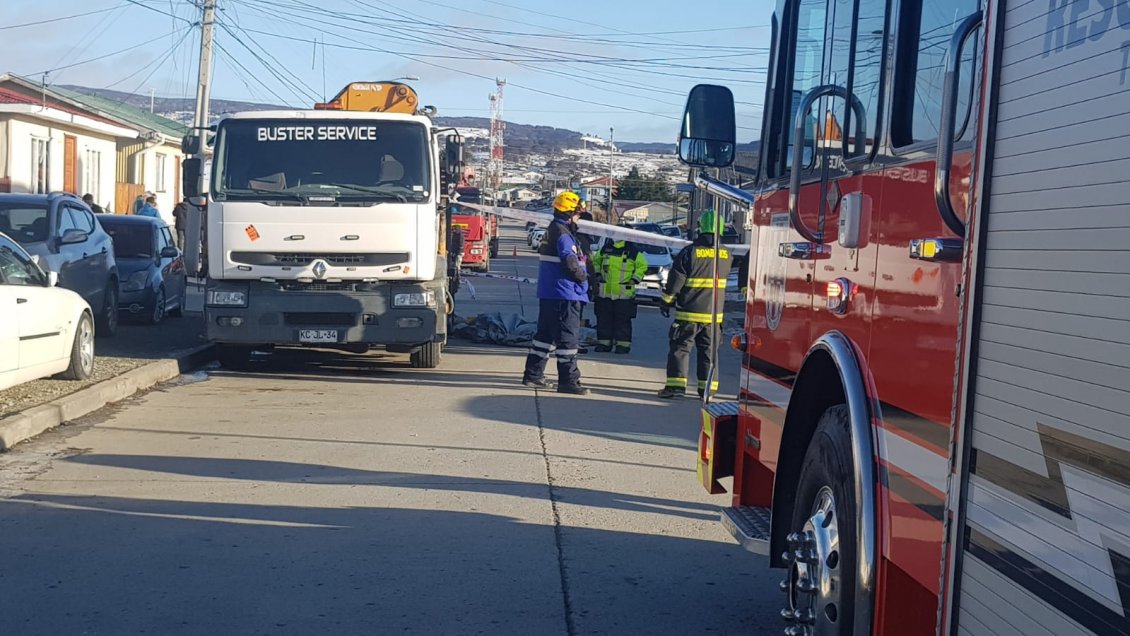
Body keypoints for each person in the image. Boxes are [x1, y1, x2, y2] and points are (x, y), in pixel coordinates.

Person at [658, 209, 734, 399]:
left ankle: (676, 387)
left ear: (701, 228)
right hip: (714, 316)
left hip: (688, 315)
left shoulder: (689, 253)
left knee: (680, 349)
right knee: (709, 352)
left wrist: (666, 302)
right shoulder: (726, 254)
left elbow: (675, 281)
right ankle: (707, 390)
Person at [522, 191, 591, 395]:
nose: (580, 217)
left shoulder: (555, 229)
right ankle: (568, 381)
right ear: (570, 212)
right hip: (564, 293)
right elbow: (570, 261)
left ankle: (533, 375)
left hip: (552, 293)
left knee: (545, 336)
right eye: (578, 213)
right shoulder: (562, 233)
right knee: (567, 339)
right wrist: (584, 278)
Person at [591, 238, 647, 353]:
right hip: (605, 292)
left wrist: (634, 280)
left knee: (622, 320)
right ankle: (604, 343)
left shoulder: (633, 251)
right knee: (604, 319)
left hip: (623, 294)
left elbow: (642, 266)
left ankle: (623, 345)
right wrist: (597, 274)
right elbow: (596, 261)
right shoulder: (606, 249)